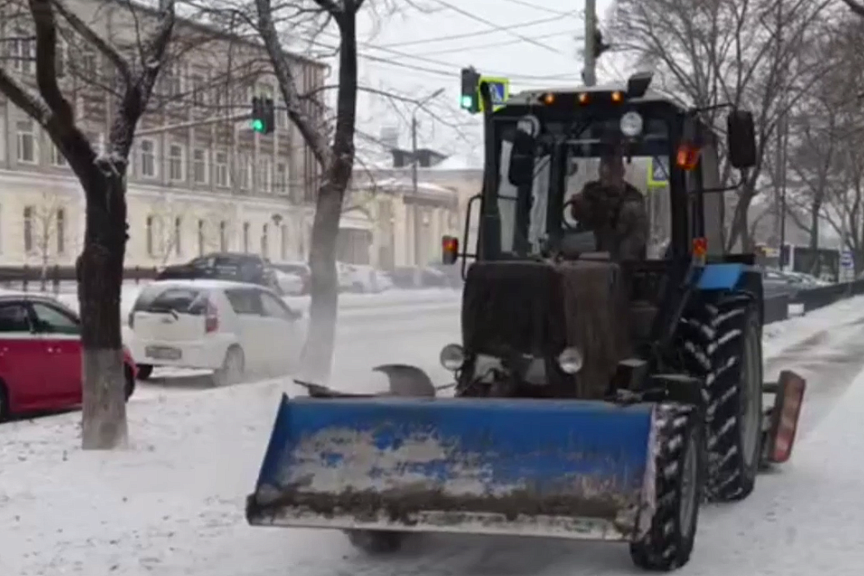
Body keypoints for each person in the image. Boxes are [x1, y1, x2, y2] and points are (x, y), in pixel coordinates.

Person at [568, 146, 649, 260]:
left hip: (621, 264)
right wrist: (579, 207)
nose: (606, 171)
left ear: (622, 171)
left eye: (612, 166)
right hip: (587, 260)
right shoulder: (590, 190)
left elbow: (635, 242)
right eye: (603, 166)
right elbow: (579, 219)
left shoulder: (633, 199)